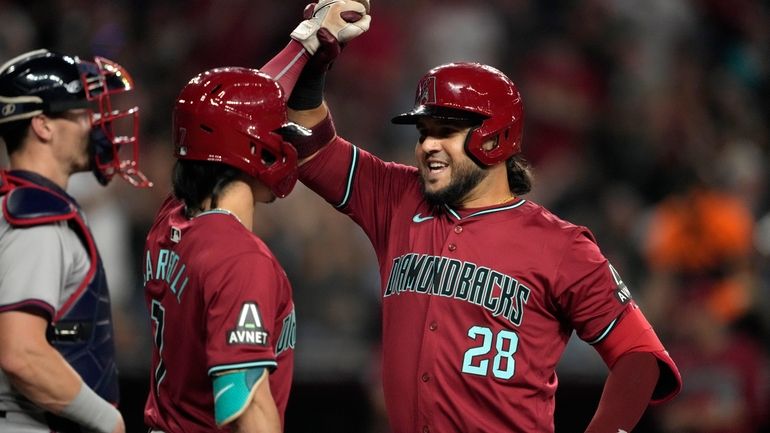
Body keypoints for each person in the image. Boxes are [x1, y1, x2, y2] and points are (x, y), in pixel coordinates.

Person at [277, 8, 684, 432]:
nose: (428, 147)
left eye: (445, 132)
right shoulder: (397, 198)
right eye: (423, 133)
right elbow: (314, 151)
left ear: (494, 136)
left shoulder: (560, 245)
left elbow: (639, 355)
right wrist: (315, 65)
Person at [0, 49, 150, 433]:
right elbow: (21, 353)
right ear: (43, 126)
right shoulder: (37, 219)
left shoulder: (11, 203)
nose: (95, 123)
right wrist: (108, 421)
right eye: (83, 112)